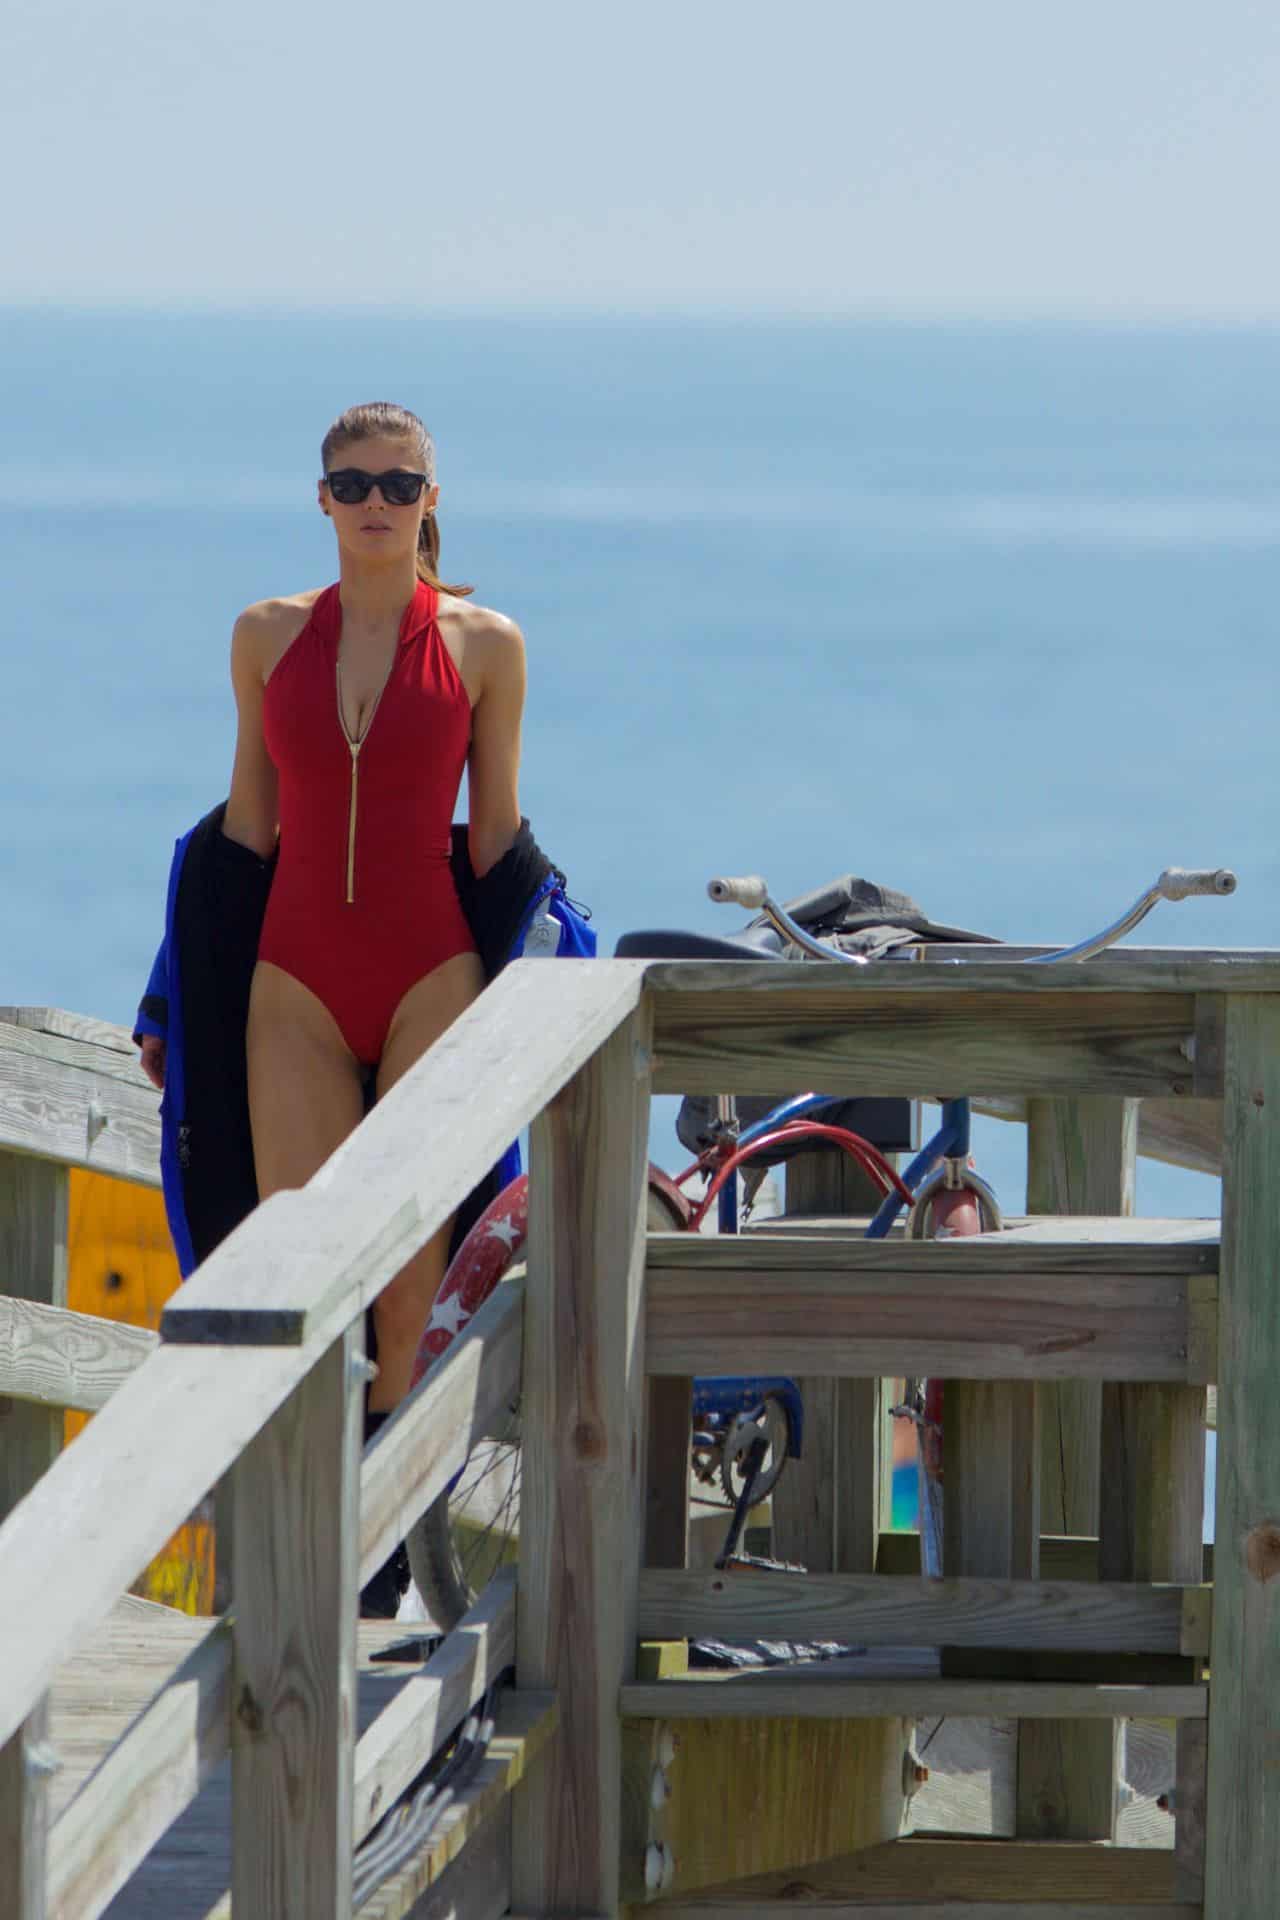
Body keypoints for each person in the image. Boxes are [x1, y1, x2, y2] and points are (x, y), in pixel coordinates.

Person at [137, 399, 530, 1612]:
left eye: (397, 486)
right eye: (351, 485)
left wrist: (546, 959)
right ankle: (320, 1546)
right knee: (301, 1262)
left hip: (430, 979)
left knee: (411, 1278)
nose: (374, 505)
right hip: (291, 981)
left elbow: (497, 837)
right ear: (320, 500)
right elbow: (241, 833)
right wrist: (171, 993)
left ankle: (376, 1557)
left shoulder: (483, 645)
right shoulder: (265, 637)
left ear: (430, 499)